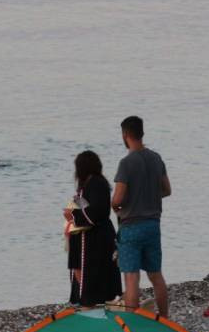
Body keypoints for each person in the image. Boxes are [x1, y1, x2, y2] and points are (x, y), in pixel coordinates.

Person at [111, 116, 172, 316]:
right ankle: (164, 318)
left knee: (131, 278)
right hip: (153, 224)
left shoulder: (126, 163)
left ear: (125, 135)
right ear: (142, 133)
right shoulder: (156, 158)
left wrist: (116, 206)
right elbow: (167, 190)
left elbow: (117, 198)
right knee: (156, 275)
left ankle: (132, 322)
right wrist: (149, 196)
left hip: (131, 226)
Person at [64, 150, 122, 306]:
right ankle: (86, 299)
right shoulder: (90, 184)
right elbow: (89, 207)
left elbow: (98, 212)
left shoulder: (96, 183)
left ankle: (91, 301)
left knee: (93, 272)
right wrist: (74, 207)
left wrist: (74, 214)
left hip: (96, 238)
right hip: (88, 235)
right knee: (78, 267)